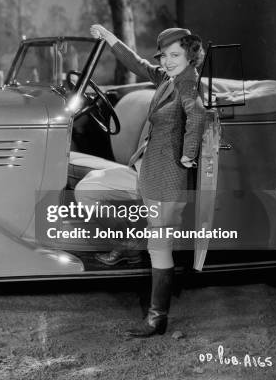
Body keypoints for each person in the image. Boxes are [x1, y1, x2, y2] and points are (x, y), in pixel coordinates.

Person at [78, 24, 206, 337]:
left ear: (190, 56)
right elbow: (139, 64)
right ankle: (130, 243)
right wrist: (111, 40)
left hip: (167, 178)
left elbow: (198, 115)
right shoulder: (167, 78)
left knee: (159, 249)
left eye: (175, 55)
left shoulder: (188, 84)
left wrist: (189, 155)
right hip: (144, 171)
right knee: (88, 189)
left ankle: (156, 319)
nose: (168, 60)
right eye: (165, 55)